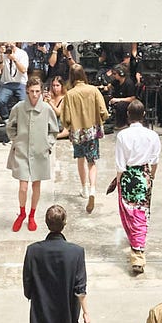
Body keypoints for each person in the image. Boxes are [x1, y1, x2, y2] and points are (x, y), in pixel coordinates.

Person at [23, 205, 90, 323]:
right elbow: (80, 287)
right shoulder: (76, 252)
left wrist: (35, 296)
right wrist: (85, 311)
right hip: (66, 307)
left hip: (41, 306)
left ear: (46, 223)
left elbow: (27, 286)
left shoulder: (33, 251)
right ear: (65, 224)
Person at [7, 72, 61, 235]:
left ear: (41, 91)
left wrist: (48, 145)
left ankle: (32, 214)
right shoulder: (18, 108)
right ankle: (22, 212)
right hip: (22, 151)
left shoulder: (46, 109)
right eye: (32, 91)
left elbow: (54, 130)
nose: (35, 94)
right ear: (27, 91)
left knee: (36, 185)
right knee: (23, 187)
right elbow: (10, 127)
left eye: (38, 91)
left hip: (39, 152)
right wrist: (16, 140)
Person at [113, 98, 162, 275]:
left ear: (128, 115)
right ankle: (137, 246)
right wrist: (151, 176)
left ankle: (137, 251)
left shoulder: (122, 136)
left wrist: (118, 181)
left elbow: (120, 164)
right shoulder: (153, 136)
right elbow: (155, 160)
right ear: (143, 116)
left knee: (129, 212)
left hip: (127, 176)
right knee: (141, 213)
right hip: (144, 176)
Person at [59, 64, 109, 214]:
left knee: (80, 159)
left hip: (78, 132)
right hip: (92, 131)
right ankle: (93, 188)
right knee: (92, 161)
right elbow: (103, 111)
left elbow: (65, 118)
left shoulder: (70, 94)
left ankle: (84, 188)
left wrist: (70, 126)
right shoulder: (93, 90)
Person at [0, 42, 29, 119]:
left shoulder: (22, 53)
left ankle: (21, 119)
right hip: (6, 83)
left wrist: (14, 59)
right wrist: (0, 54)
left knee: (24, 101)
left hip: (20, 83)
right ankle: (6, 118)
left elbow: (23, 70)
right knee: (1, 100)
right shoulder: (2, 53)